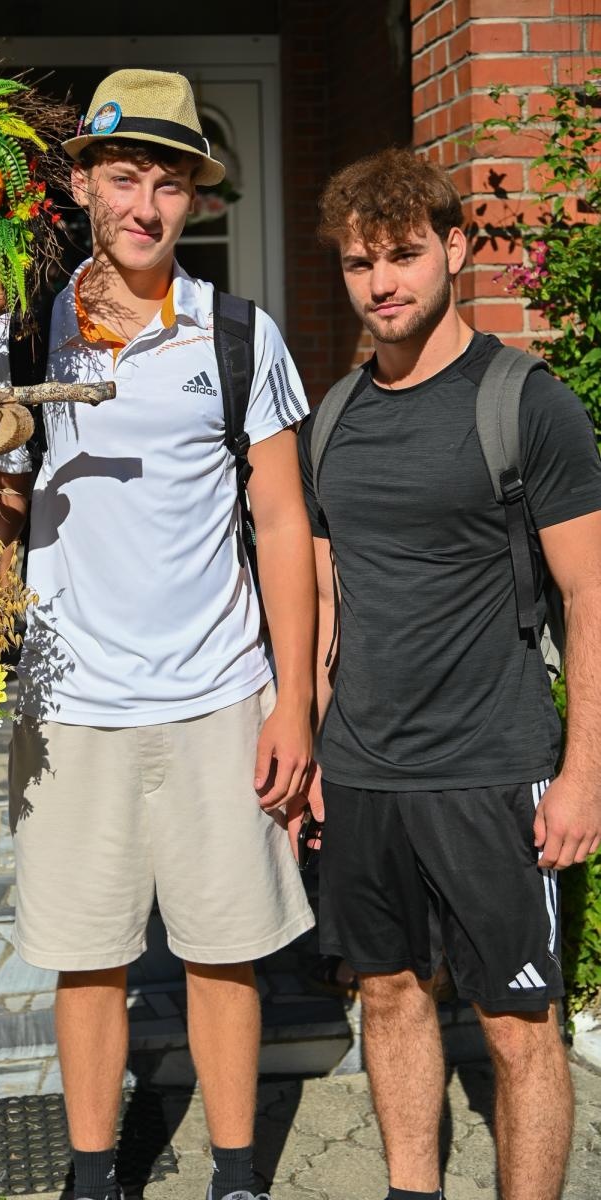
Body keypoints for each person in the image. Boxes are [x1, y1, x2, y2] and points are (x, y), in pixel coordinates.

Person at [0, 69, 316, 1200]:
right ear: (82, 182)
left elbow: (282, 522)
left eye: (168, 185)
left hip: (217, 694)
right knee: (85, 960)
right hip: (70, 699)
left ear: (196, 198)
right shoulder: (22, 336)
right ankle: (92, 1179)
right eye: (124, 177)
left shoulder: (237, 335)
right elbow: (2, 514)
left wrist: (291, 703)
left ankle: (236, 1176)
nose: (145, 206)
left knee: (223, 953)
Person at [297, 148, 601, 1200]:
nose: (381, 283)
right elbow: (328, 605)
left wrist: (582, 774)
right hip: (364, 771)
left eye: (403, 255)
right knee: (386, 994)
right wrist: (316, 749)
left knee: (517, 1025)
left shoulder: (527, 404)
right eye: (359, 263)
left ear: (454, 249)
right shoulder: (332, 420)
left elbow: (588, 596)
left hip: (489, 768)